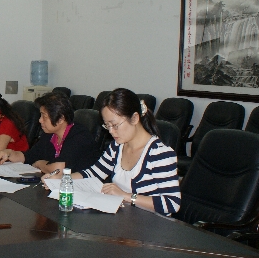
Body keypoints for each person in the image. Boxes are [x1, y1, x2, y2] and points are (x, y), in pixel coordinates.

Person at [46, 88, 180, 216]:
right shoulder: (117, 146)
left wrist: (126, 196)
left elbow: (172, 203)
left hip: (151, 225)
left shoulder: (159, 154)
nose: (111, 131)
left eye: (115, 125)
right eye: (107, 125)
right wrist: (62, 180)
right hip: (125, 220)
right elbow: (94, 173)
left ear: (134, 118)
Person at [0, 91, 96, 174]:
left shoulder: (79, 136)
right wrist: (9, 153)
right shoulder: (50, 135)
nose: (40, 120)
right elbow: (29, 156)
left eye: (44, 116)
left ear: (60, 119)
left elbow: (58, 169)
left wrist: (39, 164)